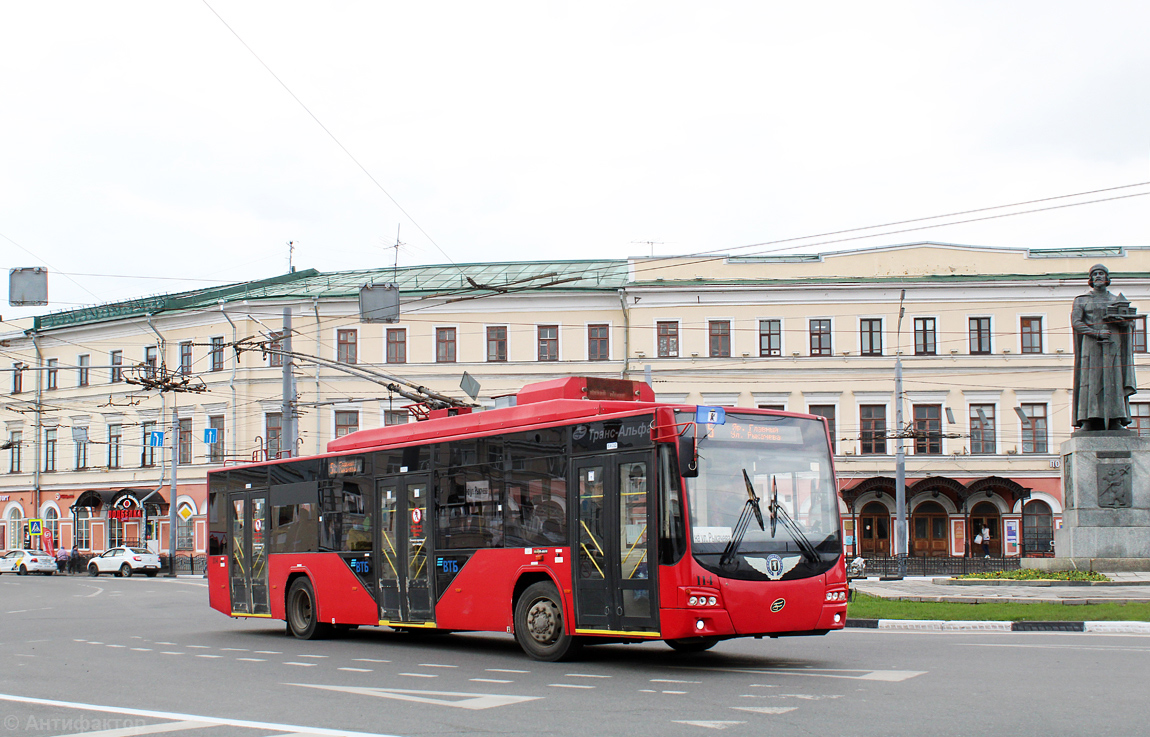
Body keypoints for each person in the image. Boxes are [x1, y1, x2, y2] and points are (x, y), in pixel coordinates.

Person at [1071, 264, 1137, 431]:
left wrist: (1125, 322)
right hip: (1091, 347)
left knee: (1114, 380)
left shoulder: (1116, 300)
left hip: (1114, 345)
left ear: (1107, 278)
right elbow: (1077, 322)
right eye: (1095, 274)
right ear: (1091, 279)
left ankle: (1116, 419)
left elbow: (1129, 322)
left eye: (1101, 273)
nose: (1098, 276)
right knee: (1090, 381)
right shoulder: (1082, 300)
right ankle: (1087, 419)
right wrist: (1095, 332)